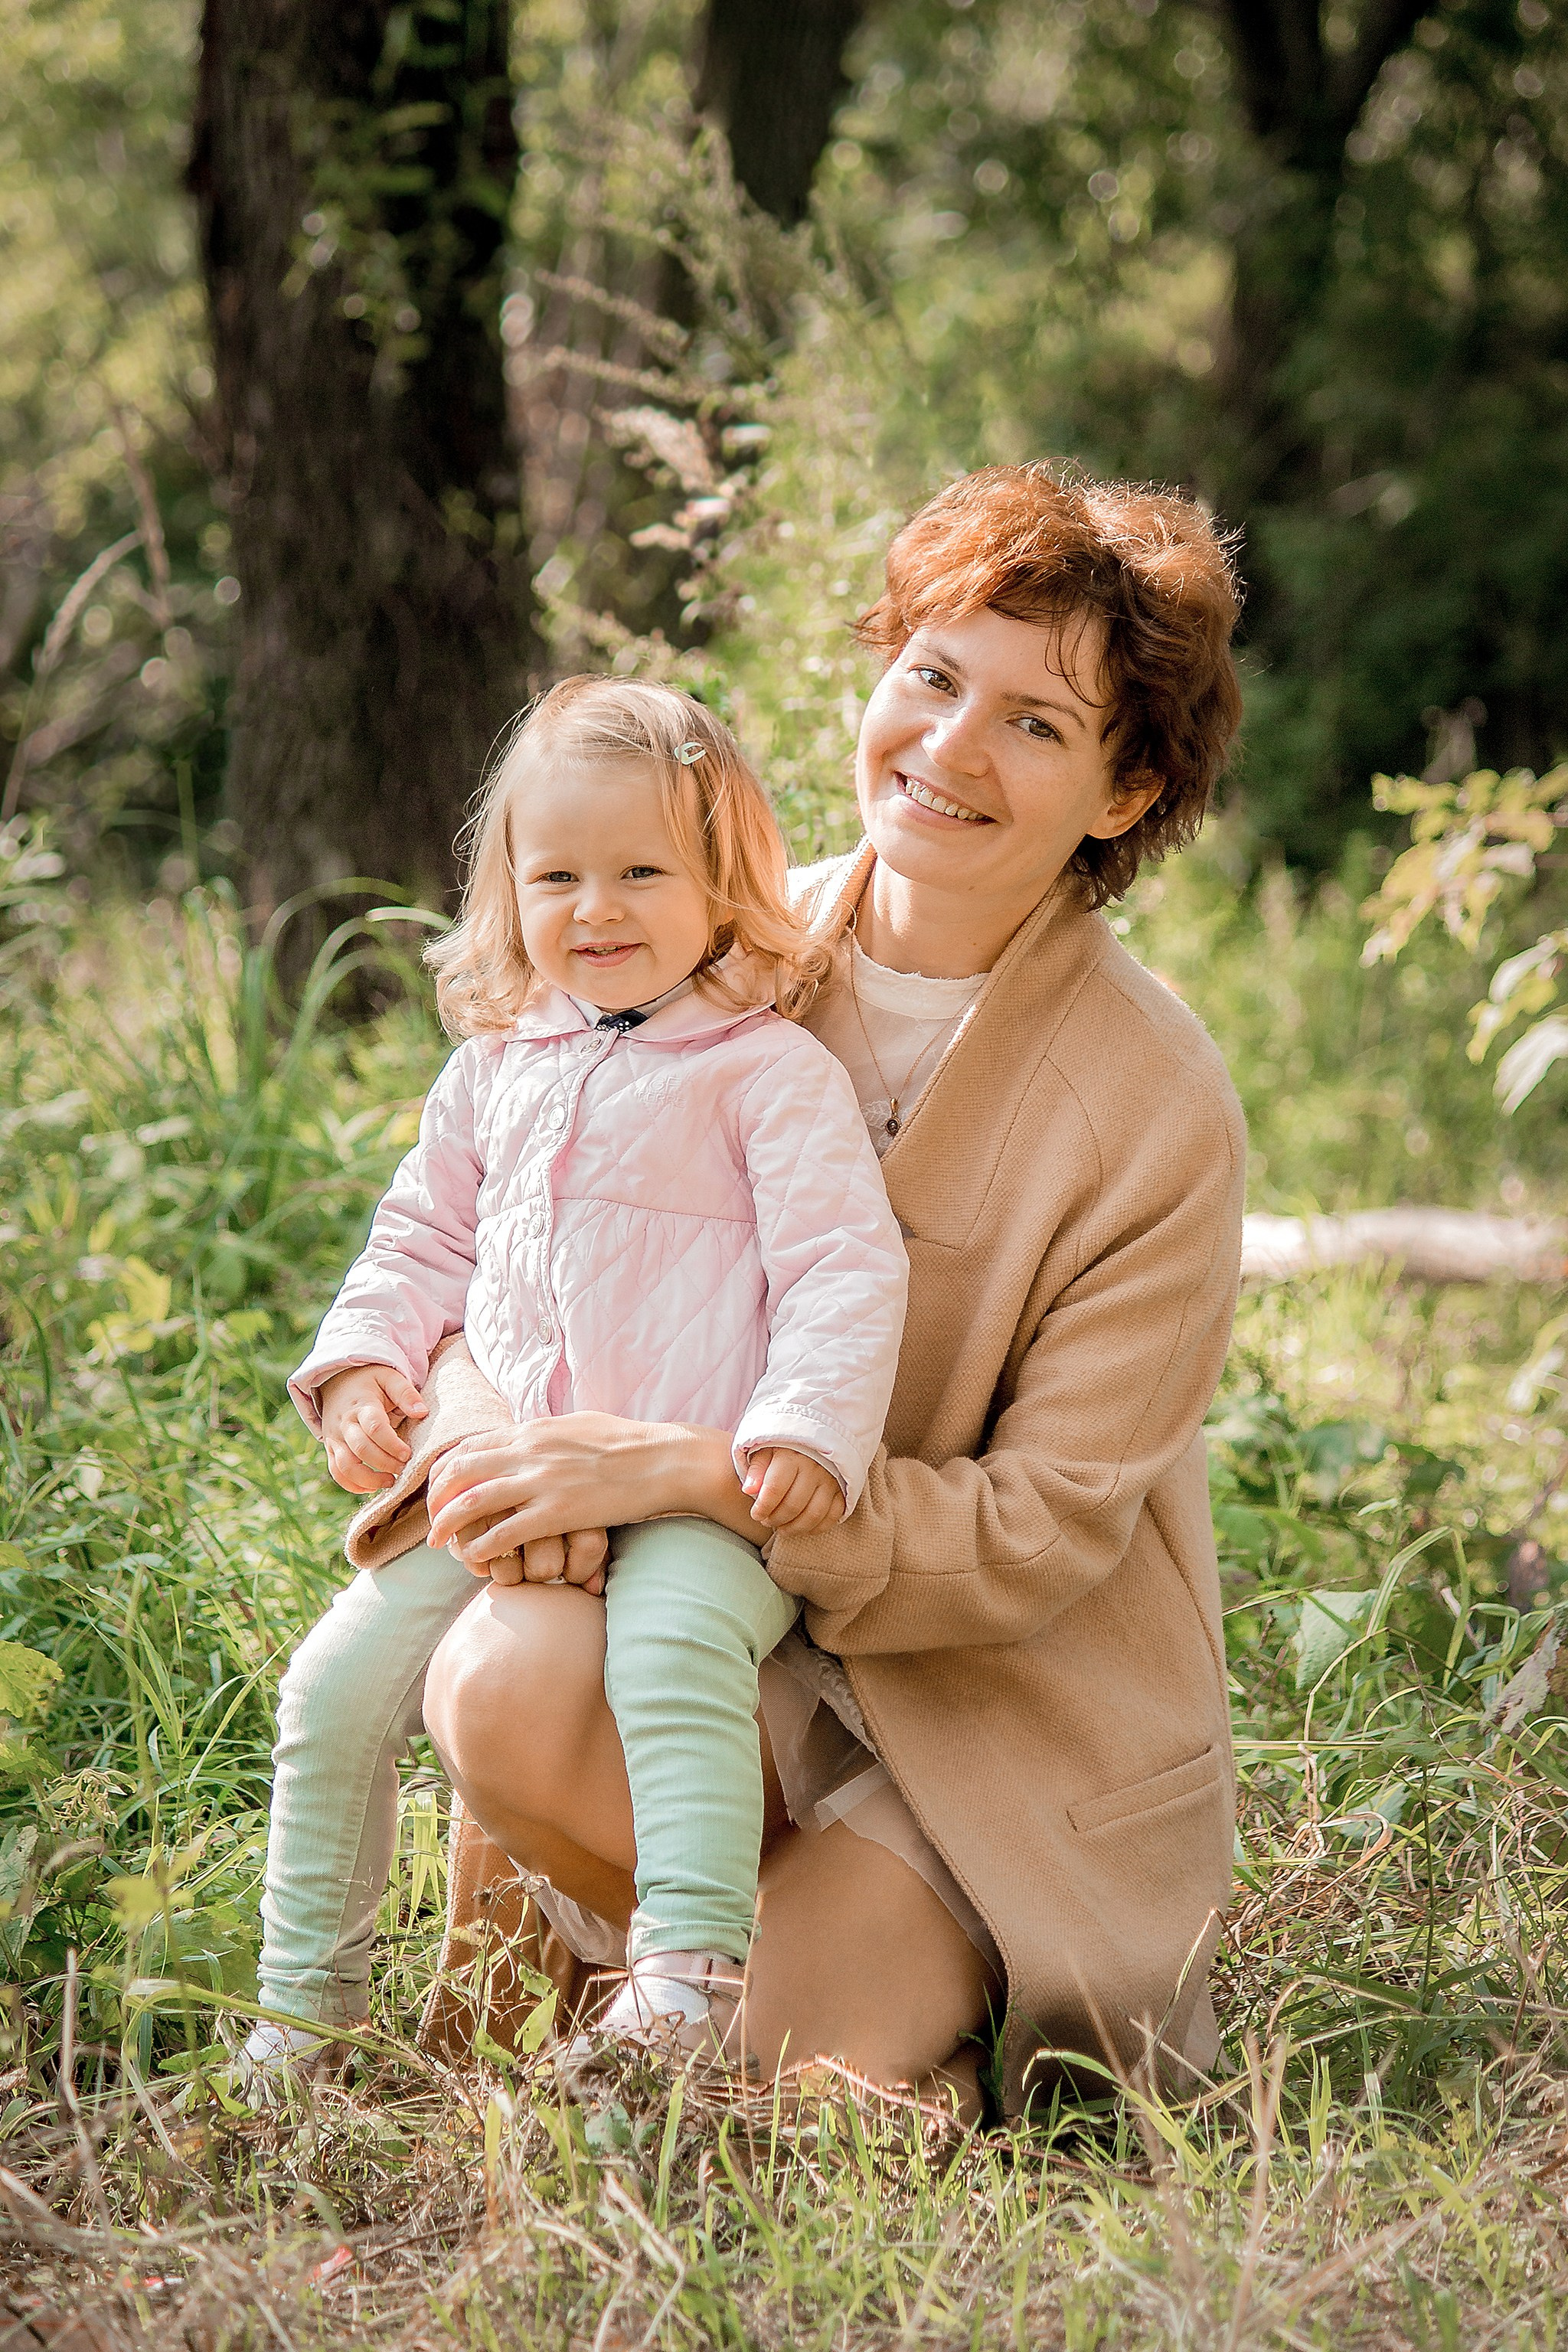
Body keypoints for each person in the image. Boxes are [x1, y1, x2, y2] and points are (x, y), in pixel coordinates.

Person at [419, 462, 1250, 2122]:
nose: (946, 750)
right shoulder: (707, 944)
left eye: (1034, 724)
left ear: (1120, 790)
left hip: (992, 1713)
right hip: (719, 1646)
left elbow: (1044, 1529)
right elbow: (485, 1233)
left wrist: (685, 1472)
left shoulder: (1156, 1106)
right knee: (498, 1677)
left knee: (753, 2095)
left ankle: (879, 1997)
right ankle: (719, 1943)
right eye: (932, 677)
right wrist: (488, 1439)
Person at [246, 678, 908, 2083]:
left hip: (695, 1488)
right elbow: (423, 1234)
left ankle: (684, 1981)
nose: (595, 908)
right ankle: (303, 2015)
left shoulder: (765, 1074)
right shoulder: (499, 1066)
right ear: (508, 890)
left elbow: (843, 1271)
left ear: (726, 881)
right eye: (557, 876)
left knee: (672, 1661)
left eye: (641, 871)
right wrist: (368, 1359)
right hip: (508, 1476)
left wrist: (801, 1431)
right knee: (334, 1686)